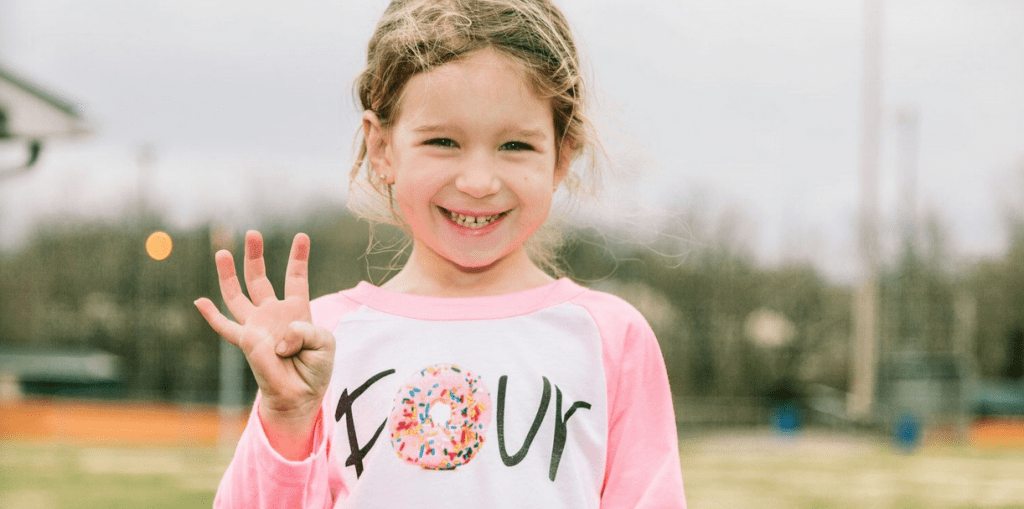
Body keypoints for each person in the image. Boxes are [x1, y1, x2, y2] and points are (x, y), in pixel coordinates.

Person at [194, 0, 686, 507]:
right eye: (444, 141)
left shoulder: (610, 338)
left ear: (563, 153)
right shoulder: (319, 341)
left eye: (516, 146)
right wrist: (288, 417)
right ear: (382, 148)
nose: (478, 182)